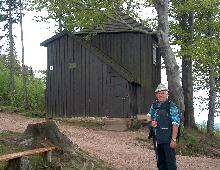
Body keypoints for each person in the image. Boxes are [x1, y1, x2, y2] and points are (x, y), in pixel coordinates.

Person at [146, 83, 180, 170]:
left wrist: (174, 139)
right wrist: (151, 122)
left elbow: (175, 124)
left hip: (168, 139)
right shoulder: (154, 105)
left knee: (170, 163)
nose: (160, 95)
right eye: (158, 93)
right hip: (157, 139)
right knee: (160, 162)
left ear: (167, 94)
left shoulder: (171, 106)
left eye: (163, 93)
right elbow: (148, 115)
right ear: (156, 95)